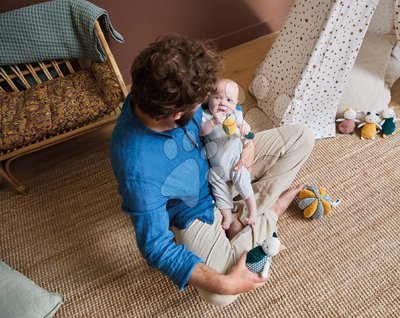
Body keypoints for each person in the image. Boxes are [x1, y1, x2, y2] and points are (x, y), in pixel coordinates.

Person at [109, 34, 315, 306]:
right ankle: (270, 212)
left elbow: (227, 106)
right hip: (191, 207)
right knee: (220, 294)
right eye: (198, 105)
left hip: (221, 157)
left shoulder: (155, 84)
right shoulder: (136, 168)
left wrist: (248, 144)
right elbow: (156, 247)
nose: (205, 103)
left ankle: (245, 217)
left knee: (302, 137)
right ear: (176, 116)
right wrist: (225, 283)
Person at [201, 78, 257, 230]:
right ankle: (228, 215)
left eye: (229, 100)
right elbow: (201, 131)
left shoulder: (235, 116)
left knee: (243, 178)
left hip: (234, 162)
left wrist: (246, 128)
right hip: (217, 167)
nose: (223, 103)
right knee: (216, 185)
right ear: (209, 98)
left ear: (236, 103)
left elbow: (245, 128)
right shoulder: (206, 116)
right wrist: (213, 122)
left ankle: (252, 210)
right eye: (217, 97)